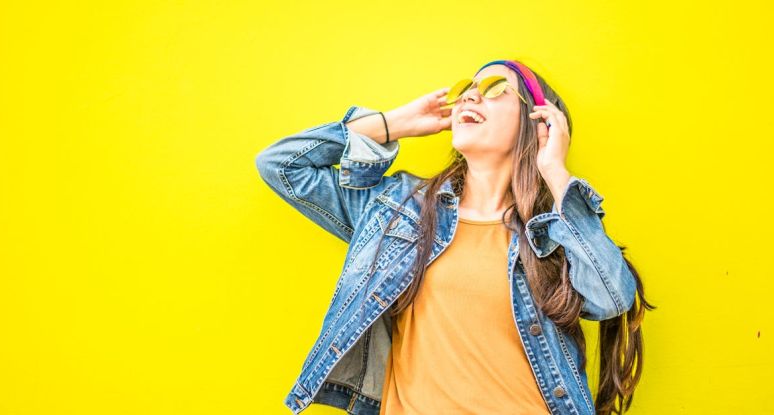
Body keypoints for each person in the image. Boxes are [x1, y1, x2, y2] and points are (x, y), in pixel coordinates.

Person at [256, 59, 655, 415]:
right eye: (465, 91)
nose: (469, 99)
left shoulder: (551, 232)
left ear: (539, 122)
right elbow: (281, 165)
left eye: (495, 90)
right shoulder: (399, 209)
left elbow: (612, 297)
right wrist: (395, 123)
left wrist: (555, 172)